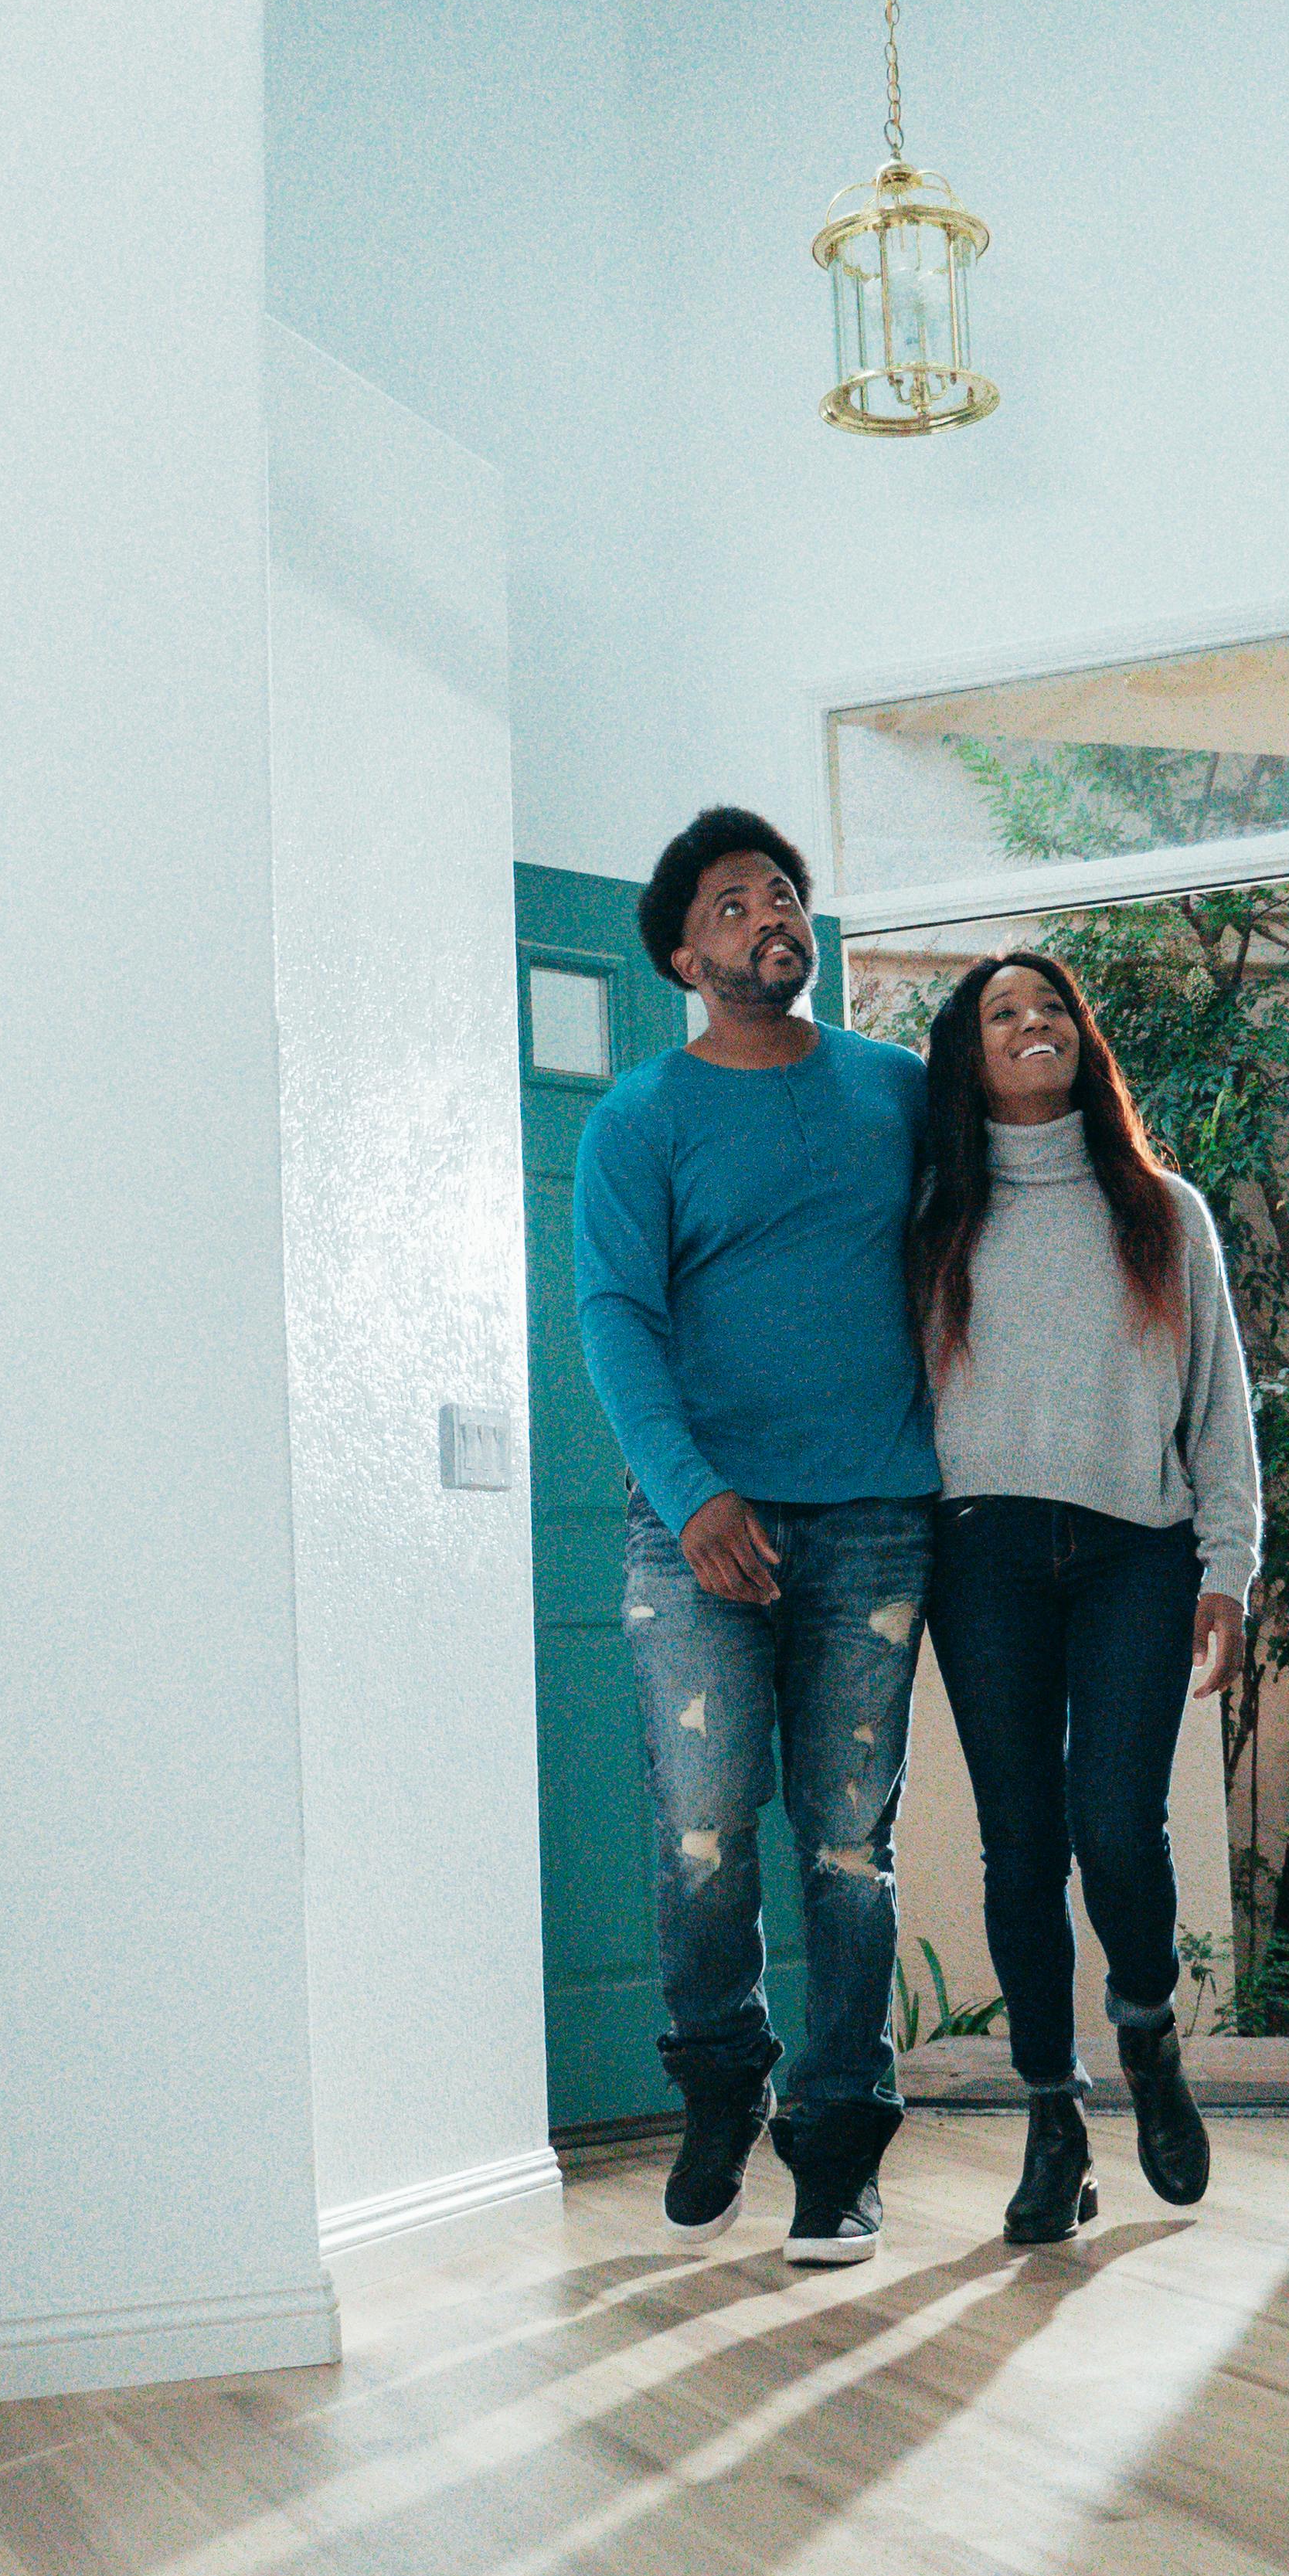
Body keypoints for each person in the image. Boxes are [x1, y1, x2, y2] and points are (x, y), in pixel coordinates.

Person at [574, 807, 938, 2265]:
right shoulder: (640, 1118)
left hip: (875, 1525)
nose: (767, 915)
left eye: (783, 893)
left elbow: (1001, 1218)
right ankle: (724, 2084)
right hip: (694, 1531)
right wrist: (694, 1493)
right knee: (707, 1833)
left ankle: (839, 2144)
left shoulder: (899, 1090)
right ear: (684, 950)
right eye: (732, 903)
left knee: (850, 1847)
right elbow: (615, 1316)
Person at [906, 950, 1262, 2245]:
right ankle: (1053, 2119)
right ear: (972, 1053)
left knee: (1116, 1827)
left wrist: (1229, 1566)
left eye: (1052, 1004)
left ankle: (1146, 2034)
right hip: (983, 1552)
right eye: (1004, 1012)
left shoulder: (1164, 1212)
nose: (1033, 1022)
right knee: (1022, 1844)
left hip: (1136, 1552)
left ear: (1082, 1039)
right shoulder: (937, 1213)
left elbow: (1221, 1410)